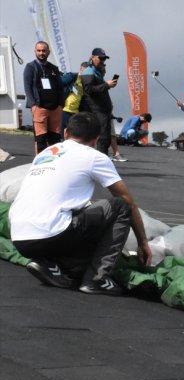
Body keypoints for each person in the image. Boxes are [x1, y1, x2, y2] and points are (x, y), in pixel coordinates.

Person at [9, 112, 152, 295]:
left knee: (76, 213)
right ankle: (97, 279)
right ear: (96, 139)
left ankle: (52, 265)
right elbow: (128, 202)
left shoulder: (45, 153)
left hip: (19, 237)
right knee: (119, 207)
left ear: (66, 132)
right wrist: (143, 242)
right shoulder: (94, 156)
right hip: (50, 232)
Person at [23, 41, 65, 155]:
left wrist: (61, 105)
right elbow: (27, 87)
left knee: (55, 138)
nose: (41, 53)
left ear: (48, 52)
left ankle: (54, 164)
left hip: (55, 108)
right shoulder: (30, 67)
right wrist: (33, 105)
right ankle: (40, 164)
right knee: (40, 138)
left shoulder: (54, 68)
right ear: (35, 51)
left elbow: (60, 88)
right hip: (40, 107)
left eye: (44, 50)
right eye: (39, 50)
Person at [79, 48, 118, 155]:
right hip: (97, 110)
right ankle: (100, 160)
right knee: (103, 138)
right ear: (93, 57)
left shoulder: (97, 71)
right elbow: (89, 90)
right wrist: (106, 85)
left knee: (105, 138)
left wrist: (107, 86)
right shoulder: (89, 71)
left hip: (103, 110)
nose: (102, 61)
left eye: (104, 59)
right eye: (101, 58)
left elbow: (97, 89)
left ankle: (101, 158)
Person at [61, 61, 90, 139]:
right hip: (64, 110)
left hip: (75, 112)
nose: (87, 72)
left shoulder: (85, 82)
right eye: (86, 69)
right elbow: (60, 82)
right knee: (62, 135)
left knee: (72, 135)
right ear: (81, 68)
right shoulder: (73, 76)